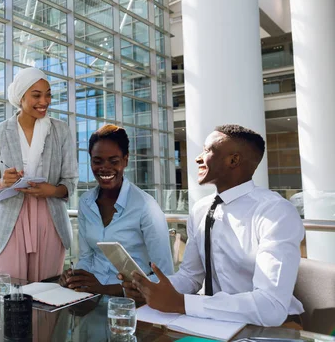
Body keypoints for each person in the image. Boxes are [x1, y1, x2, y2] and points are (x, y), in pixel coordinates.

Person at [121, 124, 305, 327]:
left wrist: (182, 303)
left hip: (272, 328)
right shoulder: (201, 210)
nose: (198, 158)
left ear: (233, 160)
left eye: (207, 151)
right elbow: (191, 277)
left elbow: (271, 307)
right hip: (215, 322)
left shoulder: (275, 211)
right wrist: (152, 290)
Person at [0, 67, 78, 282]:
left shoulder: (61, 131)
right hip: (10, 221)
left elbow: (70, 181)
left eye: (48, 94)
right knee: (10, 294)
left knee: (48, 292)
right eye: (36, 95)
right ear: (21, 97)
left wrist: (50, 190)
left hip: (50, 218)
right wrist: (1, 183)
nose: (44, 101)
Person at [60, 125, 173, 295]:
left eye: (113, 161)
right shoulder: (85, 203)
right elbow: (86, 258)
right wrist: (75, 277)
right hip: (91, 297)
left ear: (125, 160)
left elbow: (164, 276)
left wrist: (105, 289)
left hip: (132, 302)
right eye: (97, 161)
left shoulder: (146, 206)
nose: (104, 168)